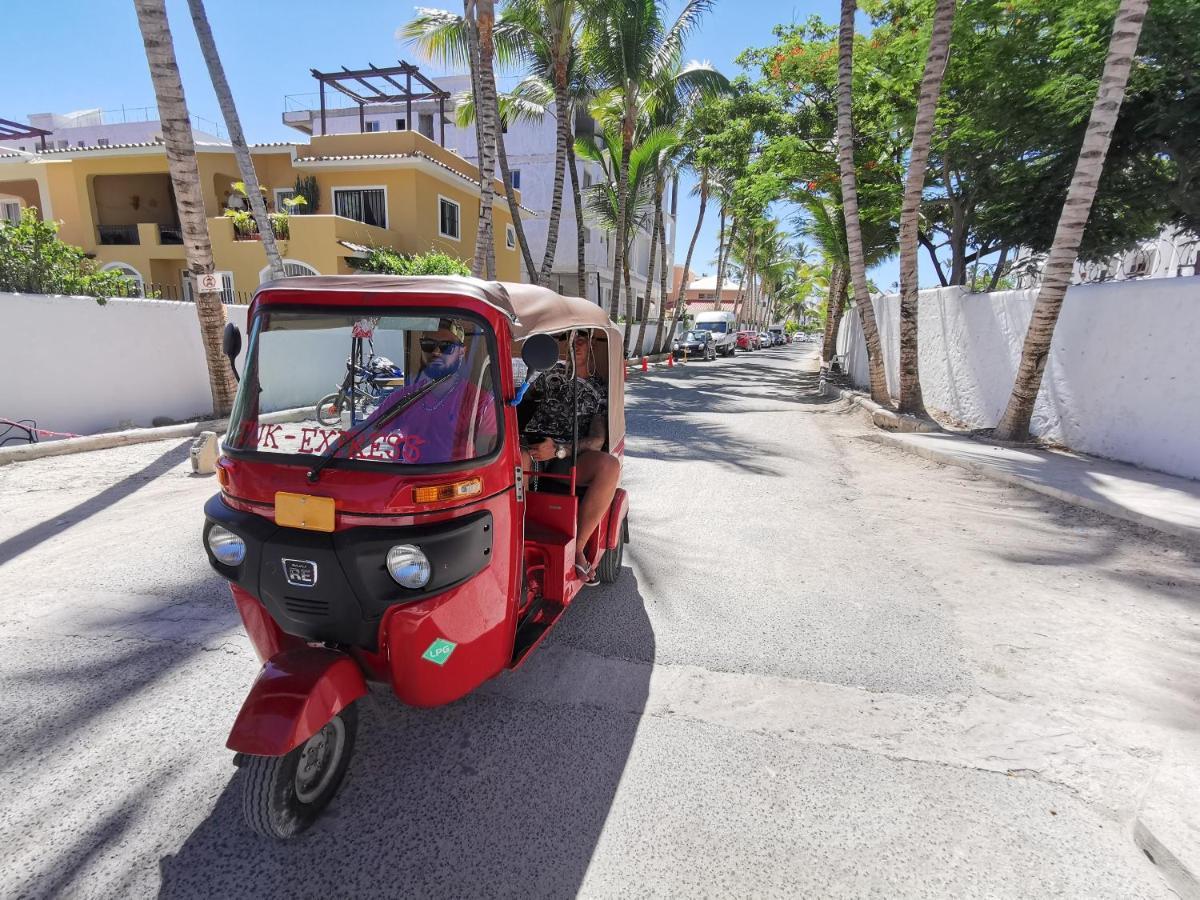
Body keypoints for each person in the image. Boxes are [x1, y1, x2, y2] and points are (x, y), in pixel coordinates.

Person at [519, 331, 620, 583]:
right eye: (570, 338)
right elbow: (519, 402)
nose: (576, 343)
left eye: (583, 337)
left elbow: (597, 440)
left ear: (592, 344)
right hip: (531, 445)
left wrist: (558, 449)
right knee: (515, 460)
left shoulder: (599, 389)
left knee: (609, 466)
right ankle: (515, 541)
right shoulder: (549, 376)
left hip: (567, 454)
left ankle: (578, 548)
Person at [365, 319, 497, 464]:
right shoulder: (403, 398)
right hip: (407, 482)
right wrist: (335, 453)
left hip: (454, 482)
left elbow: (486, 460)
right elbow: (362, 433)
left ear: (461, 352)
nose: (436, 352)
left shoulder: (479, 402)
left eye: (446, 346)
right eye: (428, 344)